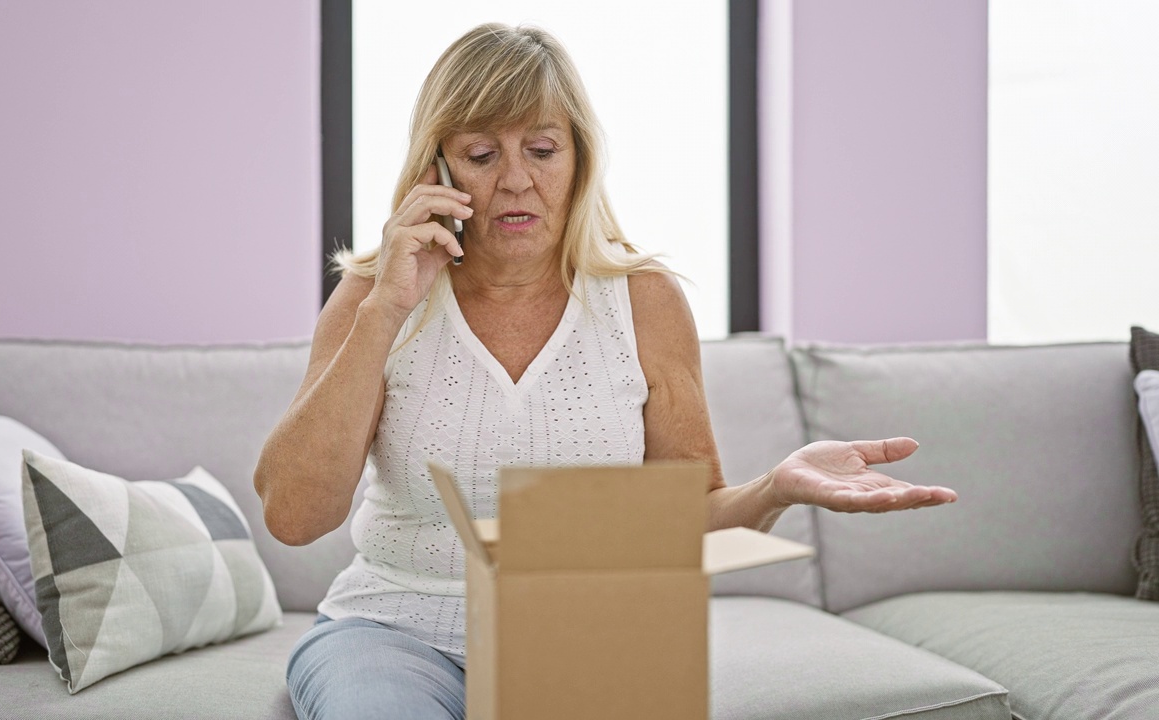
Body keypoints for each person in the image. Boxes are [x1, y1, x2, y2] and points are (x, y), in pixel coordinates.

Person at [254, 22, 958, 720]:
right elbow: (293, 516)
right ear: (436, 168)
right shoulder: (373, 297)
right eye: (479, 153)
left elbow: (688, 520)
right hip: (388, 633)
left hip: (579, 638)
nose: (516, 180)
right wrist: (386, 310)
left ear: (579, 159)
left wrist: (775, 488)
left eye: (541, 149)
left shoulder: (644, 301)